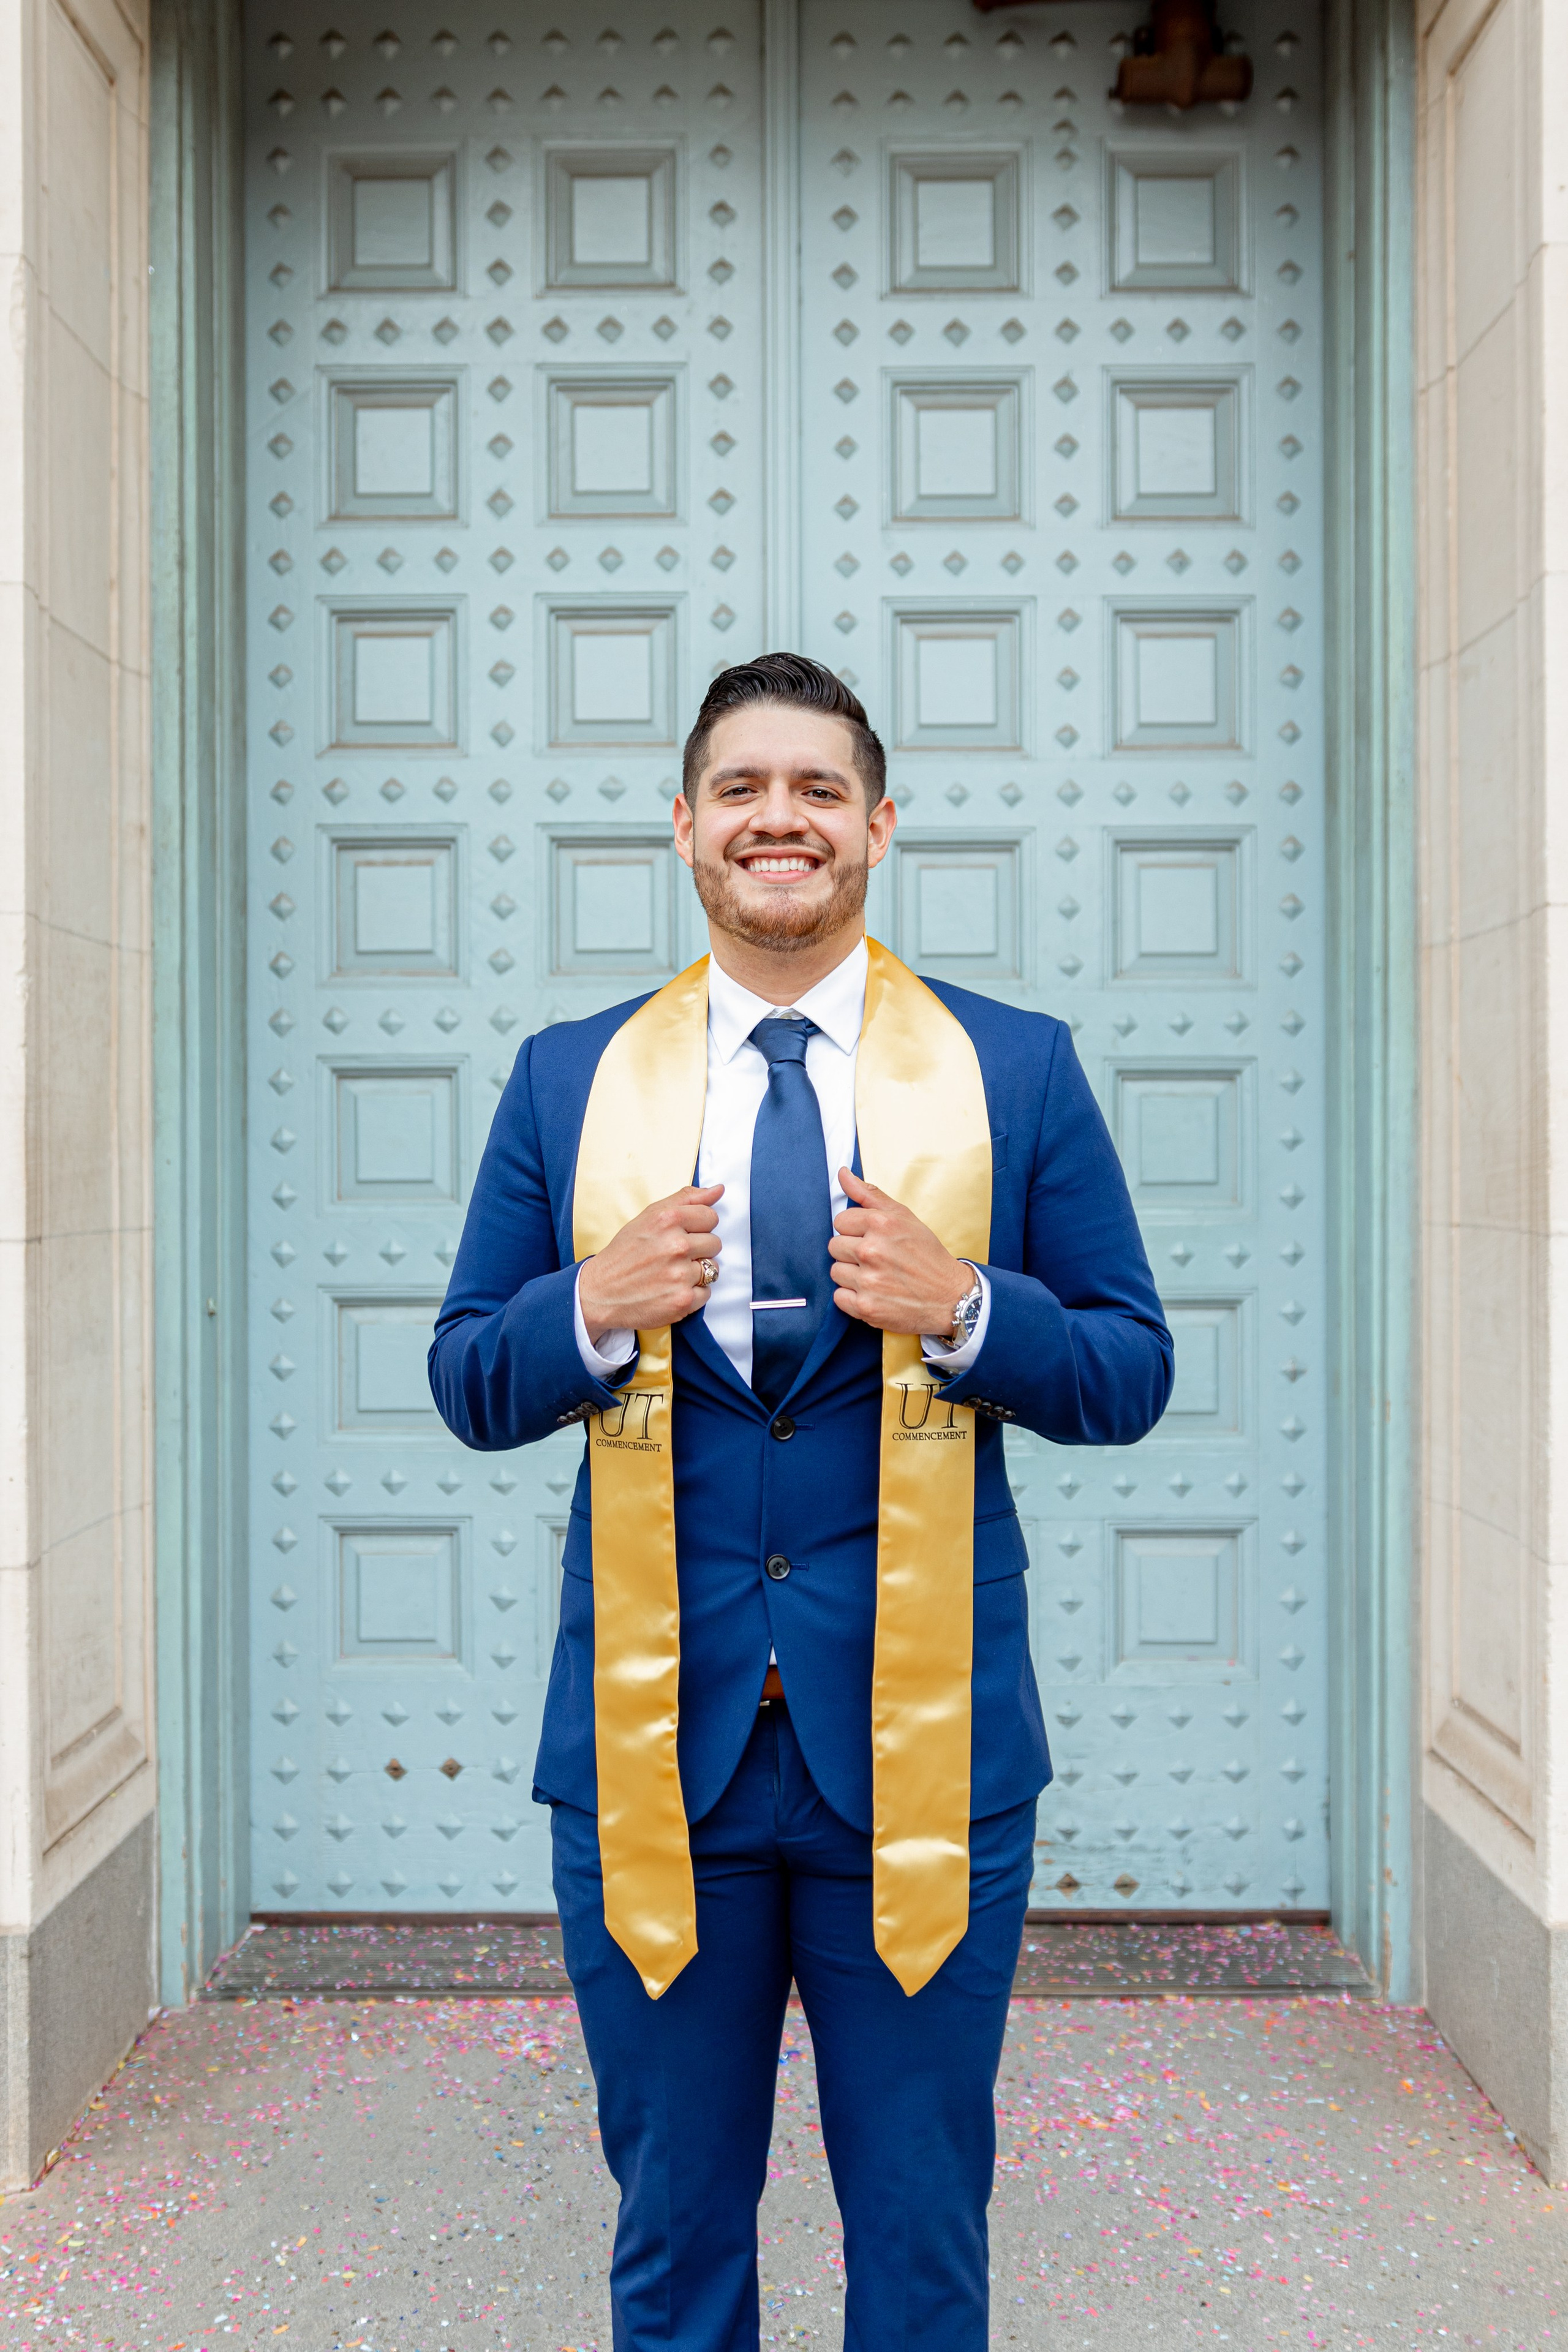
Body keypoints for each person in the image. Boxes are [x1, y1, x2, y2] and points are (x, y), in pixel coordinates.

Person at [429, 654, 1172, 2352]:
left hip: (923, 1765)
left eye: (820, 790)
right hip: (648, 1773)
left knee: (922, 2253)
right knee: (674, 2247)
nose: (783, 819)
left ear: (879, 826)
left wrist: (968, 1306)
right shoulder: (568, 1080)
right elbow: (471, 1376)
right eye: (746, 789)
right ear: (686, 825)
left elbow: (1130, 1371)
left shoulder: (1017, 1069)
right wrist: (596, 1303)